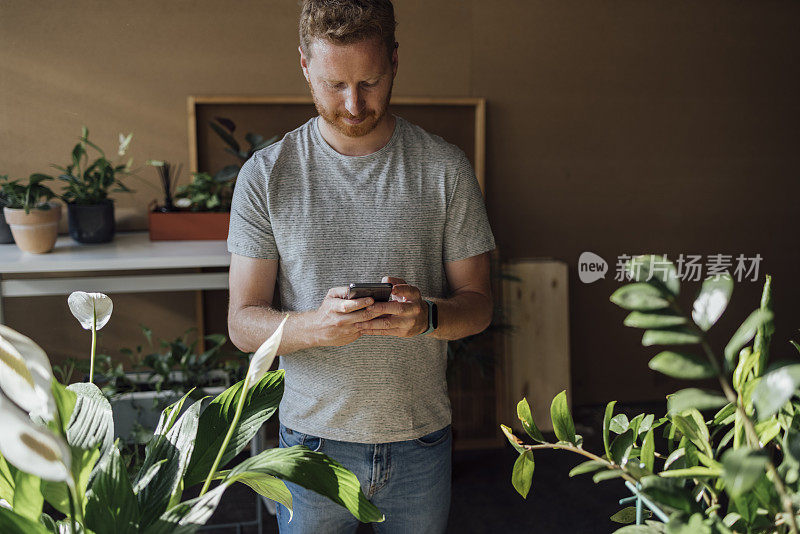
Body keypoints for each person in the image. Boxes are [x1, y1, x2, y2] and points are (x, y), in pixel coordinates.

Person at [226, 0, 495, 532]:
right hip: (311, 446)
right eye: (334, 85)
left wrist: (429, 318)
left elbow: (480, 306)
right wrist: (313, 326)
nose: (353, 104)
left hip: (421, 439)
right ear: (305, 64)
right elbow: (241, 324)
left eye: (370, 82)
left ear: (395, 60)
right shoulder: (267, 175)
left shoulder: (445, 168)